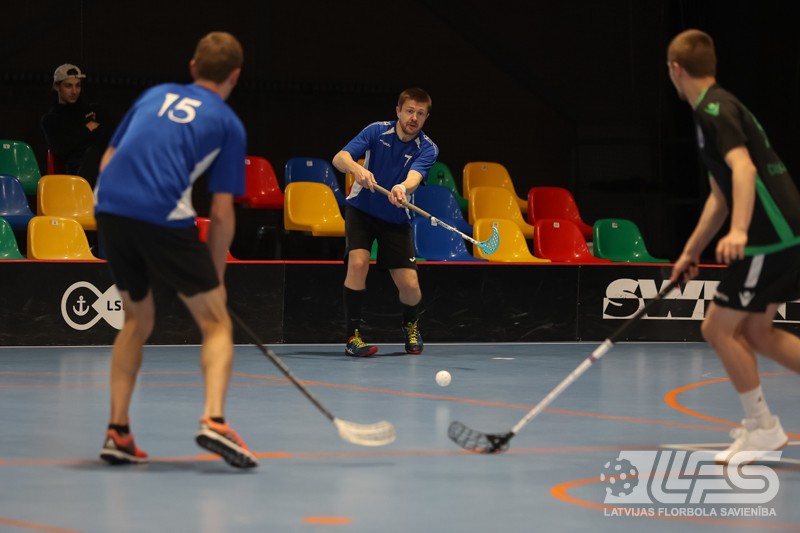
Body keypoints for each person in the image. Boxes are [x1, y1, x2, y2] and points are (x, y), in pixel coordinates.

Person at [94, 32, 257, 468]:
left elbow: (108, 160)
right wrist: (217, 275)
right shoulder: (228, 123)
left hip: (107, 206)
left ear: (193, 67)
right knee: (216, 321)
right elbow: (220, 212)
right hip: (161, 212)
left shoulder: (154, 95)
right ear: (235, 76)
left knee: (136, 320)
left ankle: (118, 431)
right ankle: (215, 420)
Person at [667, 29, 800, 465]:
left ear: (675, 69)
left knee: (717, 329)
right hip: (781, 230)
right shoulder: (716, 108)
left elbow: (743, 170)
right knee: (758, 333)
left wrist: (739, 232)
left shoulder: (714, 111)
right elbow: (720, 196)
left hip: (767, 236)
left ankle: (763, 428)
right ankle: (762, 427)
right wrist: (691, 252)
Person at [332, 88, 439, 357]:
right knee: (358, 263)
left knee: (410, 286)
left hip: (396, 218)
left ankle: (410, 325)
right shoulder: (377, 131)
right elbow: (339, 158)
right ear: (398, 111)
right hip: (361, 210)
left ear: (426, 117)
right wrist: (357, 169)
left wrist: (402, 187)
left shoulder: (428, 148)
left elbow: (415, 177)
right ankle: (352, 337)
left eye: (420, 113)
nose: (414, 118)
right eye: (410, 111)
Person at [41, 63, 111, 187]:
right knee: (93, 152)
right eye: (68, 86)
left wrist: (78, 136)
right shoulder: (51, 119)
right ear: (57, 87)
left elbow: (110, 134)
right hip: (77, 171)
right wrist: (88, 129)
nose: (74, 91)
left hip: (104, 164)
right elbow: (62, 149)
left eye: (77, 85)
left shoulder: (94, 110)